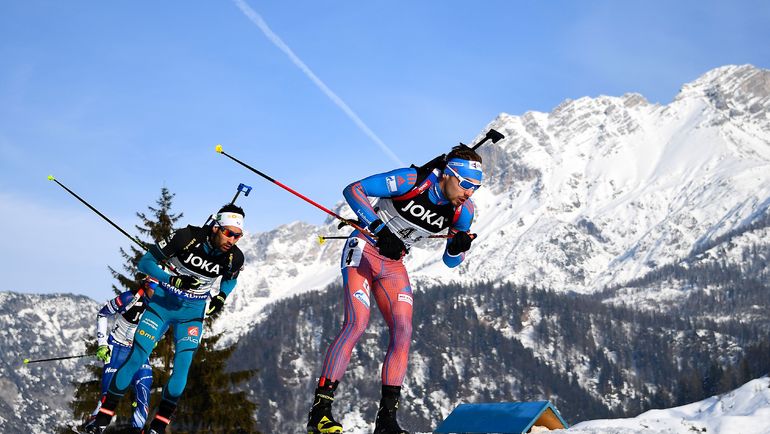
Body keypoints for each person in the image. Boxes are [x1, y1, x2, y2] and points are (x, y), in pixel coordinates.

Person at [307, 145, 483, 434]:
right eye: (465, 184)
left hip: (393, 263)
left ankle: (386, 421)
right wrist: (379, 228)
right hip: (363, 248)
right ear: (449, 174)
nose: (469, 192)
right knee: (357, 323)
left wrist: (458, 246)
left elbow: (451, 261)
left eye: (476, 188)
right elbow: (353, 190)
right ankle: (320, 412)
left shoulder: (463, 211)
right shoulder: (411, 180)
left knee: (403, 331)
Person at [87, 204, 246, 434]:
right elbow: (145, 263)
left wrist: (221, 296)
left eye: (238, 235)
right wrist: (171, 280)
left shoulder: (234, 257)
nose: (232, 240)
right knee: (136, 358)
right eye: (228, 233)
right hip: (161, 306)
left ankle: (157, 428)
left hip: (191, 315)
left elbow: (230, 279)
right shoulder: (186, 238)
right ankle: (101, 420)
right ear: (215, 227)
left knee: (182, 369)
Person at [82, 277, 157, 434]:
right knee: (109, 392)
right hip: (117, 348)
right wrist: (102, 343)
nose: (158, 293)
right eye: (154, 288)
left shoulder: (162, 305)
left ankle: (138, 429)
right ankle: (96, 425)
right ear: (146, 285)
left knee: (143, 386)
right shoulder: (129, 298)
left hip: (139, 351)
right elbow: (103, 314)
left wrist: (153, 340)